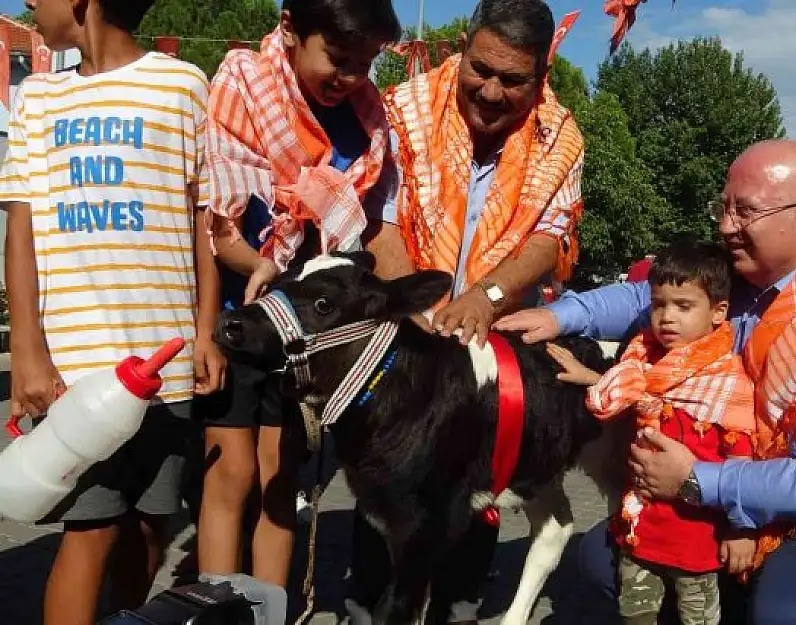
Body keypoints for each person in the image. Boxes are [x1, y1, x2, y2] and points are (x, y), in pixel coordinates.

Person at [496, 139, 796, 625]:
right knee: (600, 563)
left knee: (792, 611)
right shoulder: (741, 275)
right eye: (723, 208)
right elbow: (644, 299)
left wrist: (696, 480)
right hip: (722, 488)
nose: (725, 226)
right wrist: (555, 317)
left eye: (745, 212)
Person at [356, 1, 585, 622]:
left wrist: (482, 299)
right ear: (463, 45)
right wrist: (422, 308)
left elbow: (549, 239)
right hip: (405, 334)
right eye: (480, 68)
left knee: (473, 478)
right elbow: (377, 218)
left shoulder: (560, 136)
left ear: (541, 75)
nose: (489, 90)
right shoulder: (400, 110)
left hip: (491, 348)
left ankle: (455, 599)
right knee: (388, 481)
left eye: (512, 80)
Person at [0, 0, 223, 623]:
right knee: (89, 531)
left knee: (153, 526)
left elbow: (203, 216)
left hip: (166, 363)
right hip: (77, 373)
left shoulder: (182, 85)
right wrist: (27, 353)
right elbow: (21, 230)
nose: (28, 7)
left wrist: (206, 332)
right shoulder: (37, 98)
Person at [198, 0, 401, 588]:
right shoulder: (241, 84)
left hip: (306, 336)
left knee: (280, 480)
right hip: (244, 313)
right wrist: (260, 263)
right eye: (338, 59)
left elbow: (361, 222)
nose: (350, 78)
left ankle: (270, 607)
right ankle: (217, 603)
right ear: (289, 28)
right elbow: (217, 217)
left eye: (365, 64)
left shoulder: (365, 118)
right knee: (230, 476)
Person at [548, 241, 756, 625]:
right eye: (659, 304)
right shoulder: (643, 362)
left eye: (683, 306)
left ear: (719, 312)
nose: (667, 318)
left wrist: (741, 528)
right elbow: (643, 395)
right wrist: (590, 378)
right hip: (642, 532)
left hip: (697, 542)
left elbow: (741, 461)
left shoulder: (728, 384)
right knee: (635, 613)